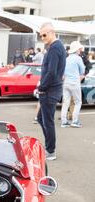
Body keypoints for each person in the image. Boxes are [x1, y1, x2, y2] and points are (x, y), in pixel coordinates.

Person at [37, 23, 66, 161]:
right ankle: (49, 146)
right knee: (40, 118)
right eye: (40, 35)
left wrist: (41, 87)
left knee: (47, 121)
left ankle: (50, 151)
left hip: (50, 91)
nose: (42, 37)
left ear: (52, 32)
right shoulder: (55, 47)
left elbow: (52, 71)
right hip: (51, 89)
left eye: (44, 34)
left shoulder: (54, 48)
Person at [61, 41, 85, 128]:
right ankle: (75, 121)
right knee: (78, 102)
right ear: (76, 49)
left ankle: (64, 122)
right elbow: (82, 71)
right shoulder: (78, 58)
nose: (80, 50)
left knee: (65, 102)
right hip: (75, 82)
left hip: (66, 82)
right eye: (79, 48)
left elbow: (62, 72)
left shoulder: (66, 59)